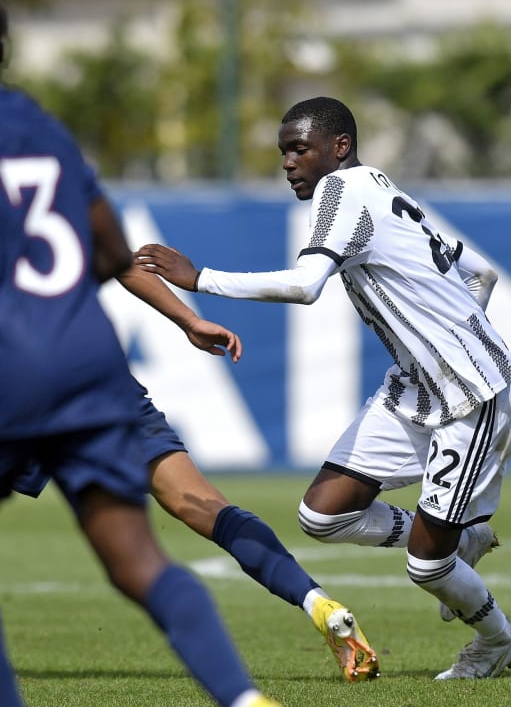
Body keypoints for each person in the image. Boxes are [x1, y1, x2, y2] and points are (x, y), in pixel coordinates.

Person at [135, 96, 511, 680]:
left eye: (300, 149)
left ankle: (497, 640)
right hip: (417, 390)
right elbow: (481, 272)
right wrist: (455, 334)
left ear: (339, 147)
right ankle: (461, 538)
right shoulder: (380, 188)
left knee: (426, 565)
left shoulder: (341, 190)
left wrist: (200, 279)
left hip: (471, 397)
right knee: (322, 516)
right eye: (283, 152)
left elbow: (306, 284)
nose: (288, 163)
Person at [0, 3, 289, 707]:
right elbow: (108, 251)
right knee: (137, 557)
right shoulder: (44, 129)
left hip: (8, 365)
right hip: (90, 362)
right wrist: (184, 317)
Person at [13, 263, 380, 684]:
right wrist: (189, 320)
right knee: (211, 510)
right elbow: (122, 262)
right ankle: (316, 602)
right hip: (98, 380)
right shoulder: (73, 222)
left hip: (21, 384)